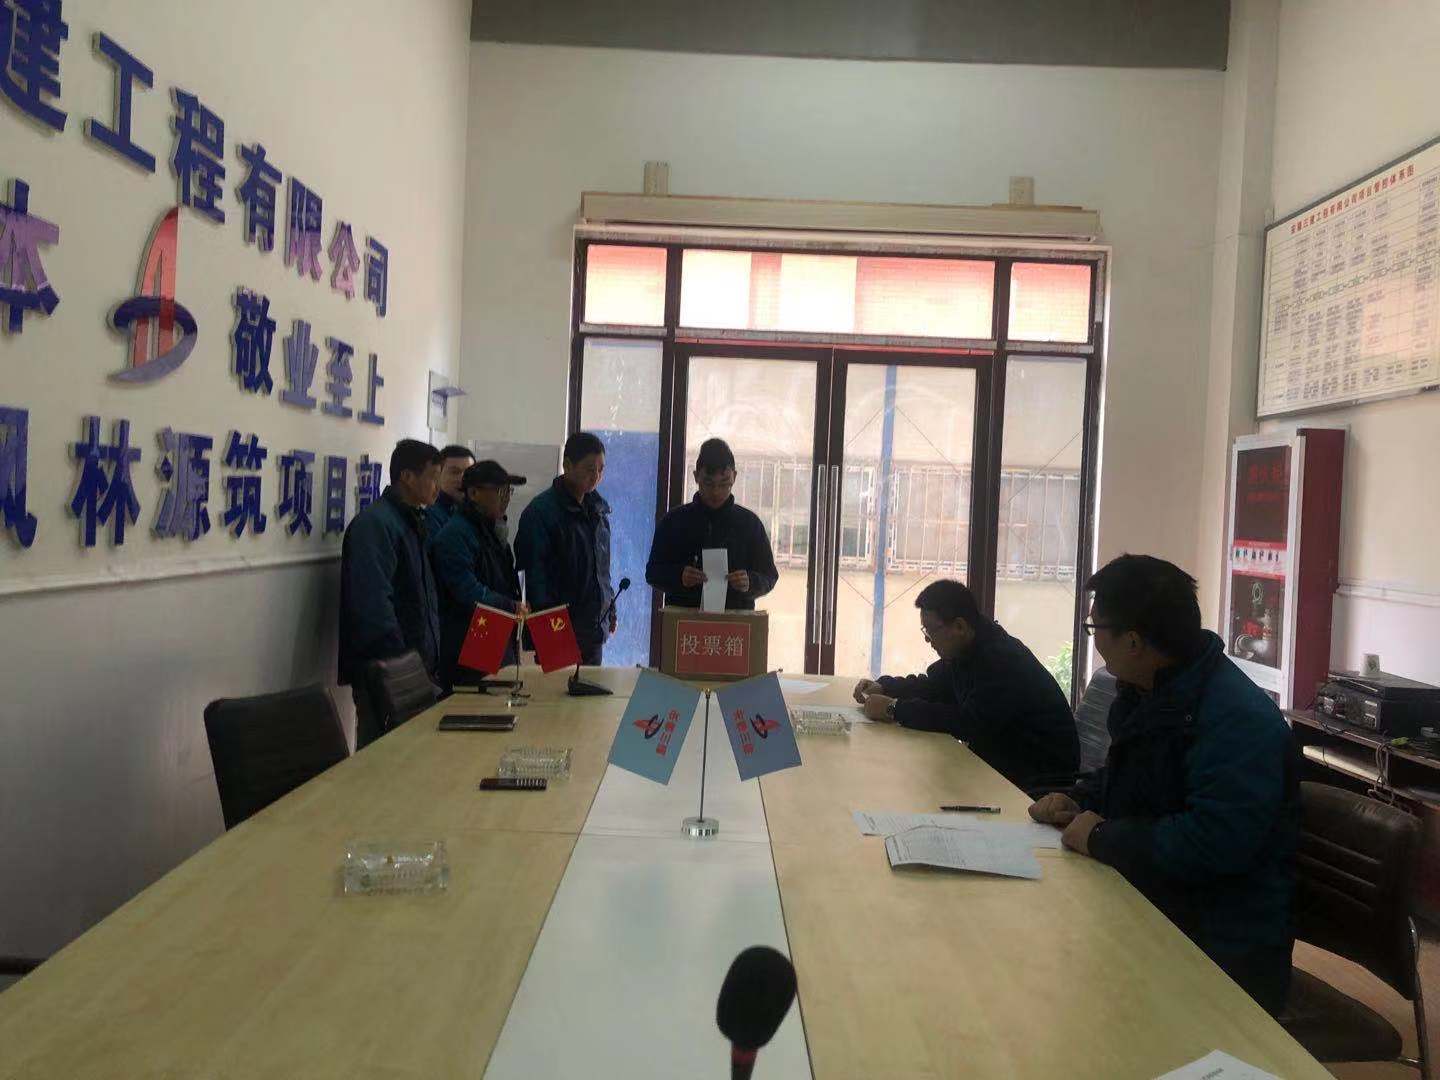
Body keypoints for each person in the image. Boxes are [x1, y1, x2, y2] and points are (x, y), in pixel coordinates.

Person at [1028, 554, 1298, 1016]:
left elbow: (1213, 843)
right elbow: (1132, 782)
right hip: (1153, 902)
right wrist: (1077, 800)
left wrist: (1101, 836)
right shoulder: (1151, 691)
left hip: (1219, 947)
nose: (1095, 642)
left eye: (1095, 629)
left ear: (1133, 641)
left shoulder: (1237, 722)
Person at [852, 579, 1079, 794]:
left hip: (1039, 781)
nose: (927, 640)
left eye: (930, 631)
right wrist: (884, 687)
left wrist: (893, 708)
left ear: (959, 626)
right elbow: (933, 686)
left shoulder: (999, 659)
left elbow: (967, 722)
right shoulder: (968, 648)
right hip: (1002, 765)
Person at [338, 439, 443, 748]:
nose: (438, 487)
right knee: (380, 762)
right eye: (433, 477)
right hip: (386, 673)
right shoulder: (376, 525)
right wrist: (403, 666)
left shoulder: (411, 520)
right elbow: (373, 606)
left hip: (411, 670)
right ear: (407, 477)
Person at [514, 432, 615, 665]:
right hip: (556, 630)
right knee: (558, 689)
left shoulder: (598, 512)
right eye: (590, 469)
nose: (596, 476)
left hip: (593, 630)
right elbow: (533, 577)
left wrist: (610, 609)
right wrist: (550, 632)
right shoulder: (540, 513)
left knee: (590, 689)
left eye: (601, 469)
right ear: (567, 465)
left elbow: (602, 570)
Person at [430, 460, 530, 691]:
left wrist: (519, 602)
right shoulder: (455, 535)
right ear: (474, 493)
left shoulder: (492, 531)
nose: (506, 498)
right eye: (500, 491)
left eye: (509, 491)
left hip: (495, 638)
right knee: (475, 705)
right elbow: (467, 591)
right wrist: (510, 606)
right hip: (468, 644)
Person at [645, 438, 778, 610]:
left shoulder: (750, 524)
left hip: (735, 619)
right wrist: (679, 576)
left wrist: (750, 582)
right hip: (684, 619)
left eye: (724, 484)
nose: (716, 492)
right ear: (696, 477)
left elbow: (769, 576)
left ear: (734, 477)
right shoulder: (673, 521)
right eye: (708, 483)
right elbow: (652, 573)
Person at [425, 444, 475, 533]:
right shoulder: (430, 516)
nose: (462, 479)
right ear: (438, 475)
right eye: (455, 472)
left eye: (469, 473)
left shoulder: (477, 511)